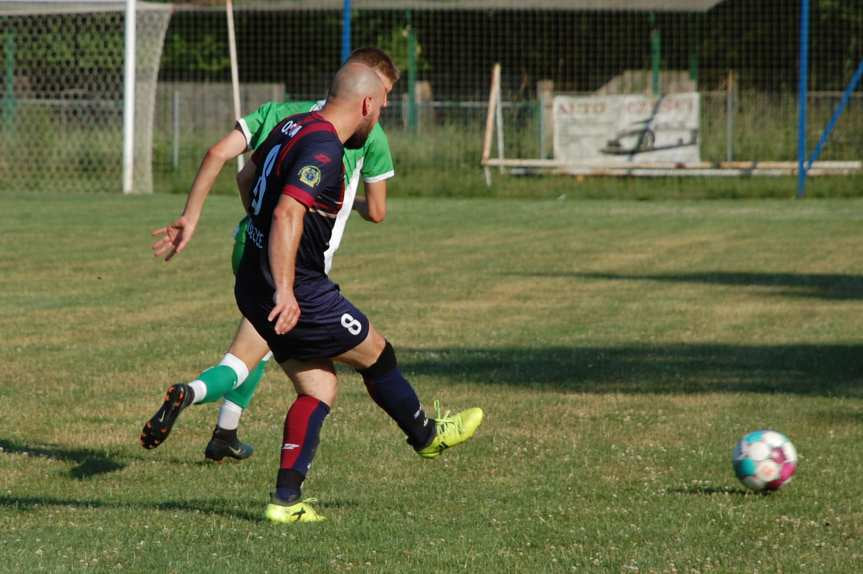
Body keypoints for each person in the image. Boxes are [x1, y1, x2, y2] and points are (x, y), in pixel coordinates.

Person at [230, 62, 483, 522]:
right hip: (298, 291)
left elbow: (246, 179)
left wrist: (261, 236)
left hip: (250, 282)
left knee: (319, 387)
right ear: (367, 104)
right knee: (378, 354)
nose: (381, 115)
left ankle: (285, 503)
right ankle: (426, 435)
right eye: (383, 106)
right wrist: (286, 289)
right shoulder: (325, 148)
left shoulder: (292, 124)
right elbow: (289, 212)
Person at [141, 48, 397, 462]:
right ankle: (192, 392)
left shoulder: (284, 113)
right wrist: (333, 205)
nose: (382, 106)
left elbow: (223, 158)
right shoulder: (370, 134)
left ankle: (225, 432)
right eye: (383, 96)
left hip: (250, 242)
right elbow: (379, 212)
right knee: (250, 355)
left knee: (260, 340)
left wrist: (194, 216)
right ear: (368, 94)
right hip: (293, 259)